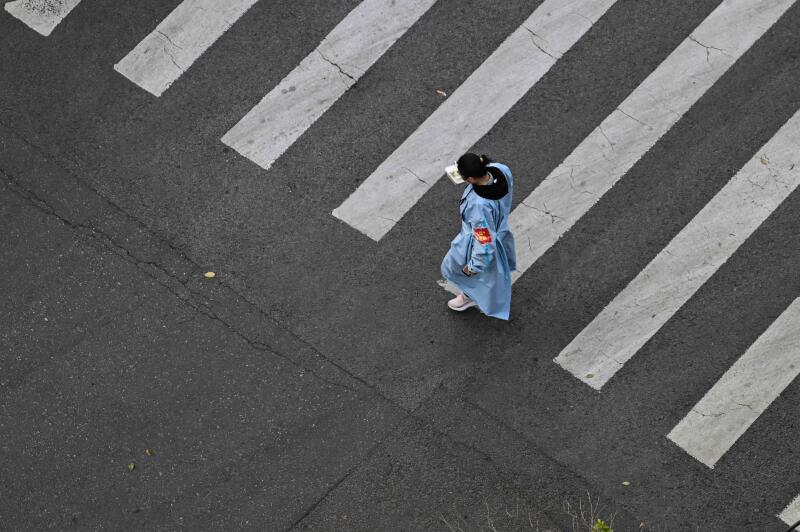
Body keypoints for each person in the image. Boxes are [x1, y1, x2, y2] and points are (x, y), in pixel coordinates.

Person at [441, 153, 516, 320]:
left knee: (466, 271)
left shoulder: (478, 205)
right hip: (500, 229)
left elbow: (484, 242)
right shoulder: (500, 170)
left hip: (476, 242)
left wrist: (473, 267)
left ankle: (469, 297)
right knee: (492, 273)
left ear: (471, 179)